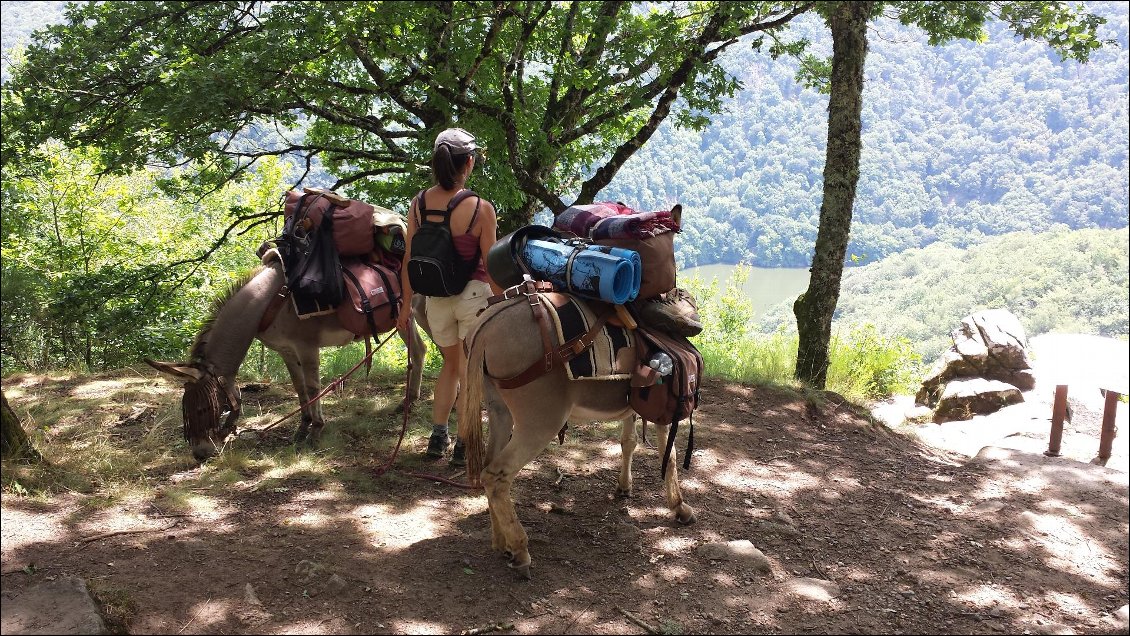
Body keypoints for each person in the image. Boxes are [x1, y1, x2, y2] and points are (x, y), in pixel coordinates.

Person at [397, 127, 500, 464]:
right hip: (472, 296)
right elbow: (491, 263)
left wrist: (405, 307)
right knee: (470, 370)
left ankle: (437, 437)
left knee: (450, 368)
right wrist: (504, 300)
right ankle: (464, 443)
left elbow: (410, 259)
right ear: (468, 163)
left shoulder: (418, 204)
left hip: (435, 300)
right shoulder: (480, 208)